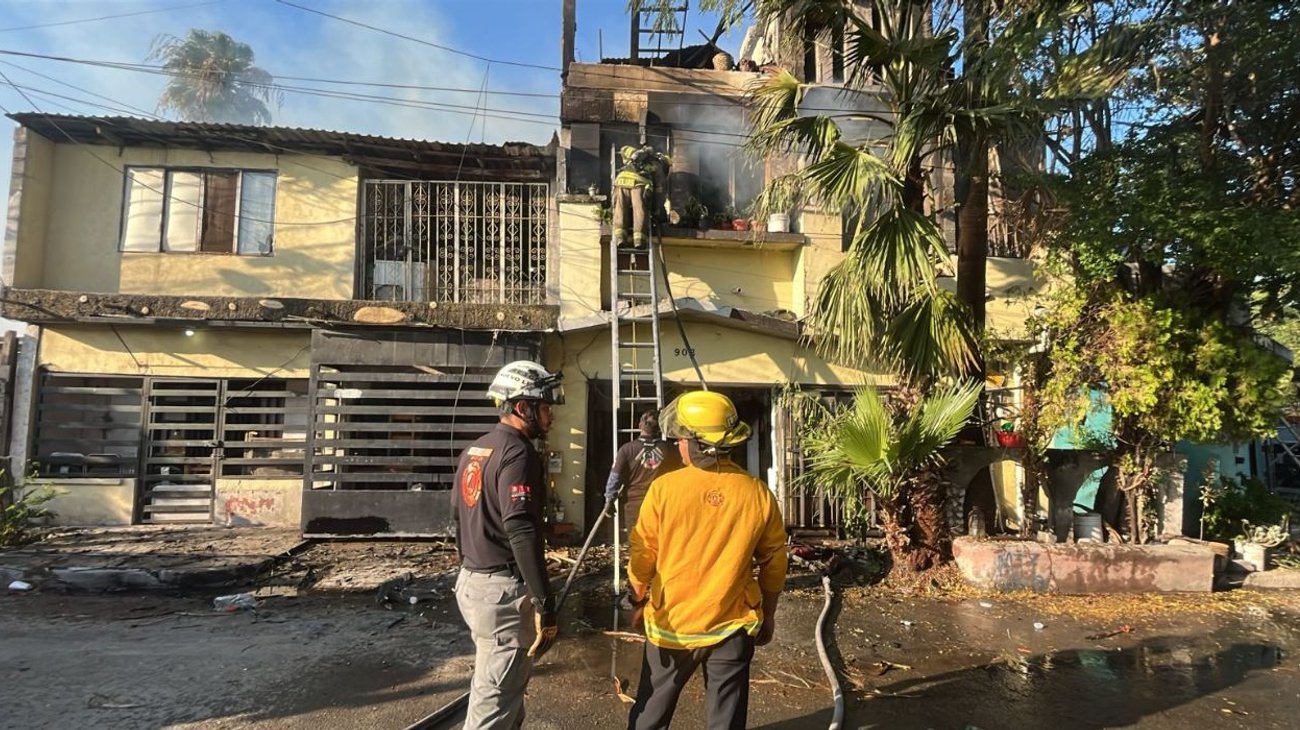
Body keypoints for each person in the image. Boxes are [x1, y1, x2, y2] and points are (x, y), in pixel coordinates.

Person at [625, 391, 788, 730]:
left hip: (671, 627)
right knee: (726, 722)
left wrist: (637, 599)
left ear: (698, 444)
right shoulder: (757, 493)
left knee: (650, 716)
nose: (679, 445)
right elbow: (774, 562)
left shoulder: (664, 490)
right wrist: (768, 615)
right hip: (733, 626)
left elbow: (643, 556)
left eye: (682, 438)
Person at [451, 360, 564, 729]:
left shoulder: (475, 450)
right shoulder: (518, 453)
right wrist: (545, 602)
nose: (550, 416)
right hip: (500, 594)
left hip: (473, 583)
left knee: (506, 691)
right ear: (521, 408)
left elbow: (457, 514)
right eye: (545, 407)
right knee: (492, 705)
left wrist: (470, 569)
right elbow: (521, 528)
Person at [603, 410, 684, 532]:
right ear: (660, 428)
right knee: (661, 542)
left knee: (638, 543)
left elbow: (615, 477)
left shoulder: (627, 449)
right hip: (663, 503)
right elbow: (681, 475)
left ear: (640, 425)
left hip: (635, 504)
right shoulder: (671, 449)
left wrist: (609, 500)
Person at [611, 144, 671, 248]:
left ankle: (620, 238)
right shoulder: (658, 165)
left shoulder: (637, 157)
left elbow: (623, 150)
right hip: (639, 184)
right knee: (640, 210)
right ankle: (639, 240)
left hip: (621, 181)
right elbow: (659, 191)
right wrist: (656, 210)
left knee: (620, 209)